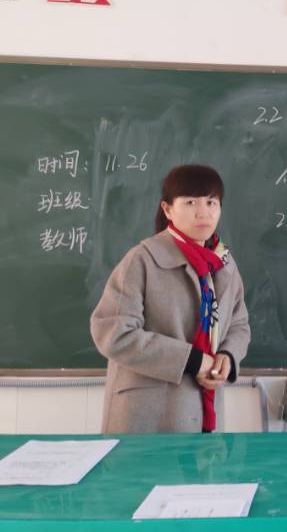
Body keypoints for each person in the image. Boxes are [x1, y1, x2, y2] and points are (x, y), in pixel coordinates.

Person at [91, 164, 251, 433]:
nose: (203, 212)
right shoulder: (142, 259)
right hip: (147, 414)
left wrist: (228, 355)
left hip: (204, 410)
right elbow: (113, 333)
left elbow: (239, 324)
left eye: (211, 202)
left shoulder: (223, 262)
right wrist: (192, 360)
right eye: (190, 202)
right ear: (167, 209)